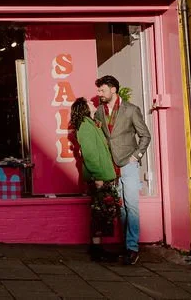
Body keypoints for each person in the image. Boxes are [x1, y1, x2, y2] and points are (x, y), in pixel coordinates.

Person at [94, 74, 151, 265]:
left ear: (113, 90)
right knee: (122, 208)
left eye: (102, 90)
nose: (99, 93)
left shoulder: (131, 110)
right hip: (111, 165)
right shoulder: (99, 111)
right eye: (98, 90)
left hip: (129, 163)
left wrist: (136, 156)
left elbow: (145, 135)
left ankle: (133, 248)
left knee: (131, 205)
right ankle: (126, 245)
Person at [70, 97, 121, 262]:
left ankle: (98, 249)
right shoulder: (85, 126)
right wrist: (98, 176)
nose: (92, 103)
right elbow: (90, 155)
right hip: (99, 177)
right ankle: (97, 250)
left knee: (102, 213)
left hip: (103, 176)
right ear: (84, 107)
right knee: (99, 213)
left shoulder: (91, 124)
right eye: (89, 102)